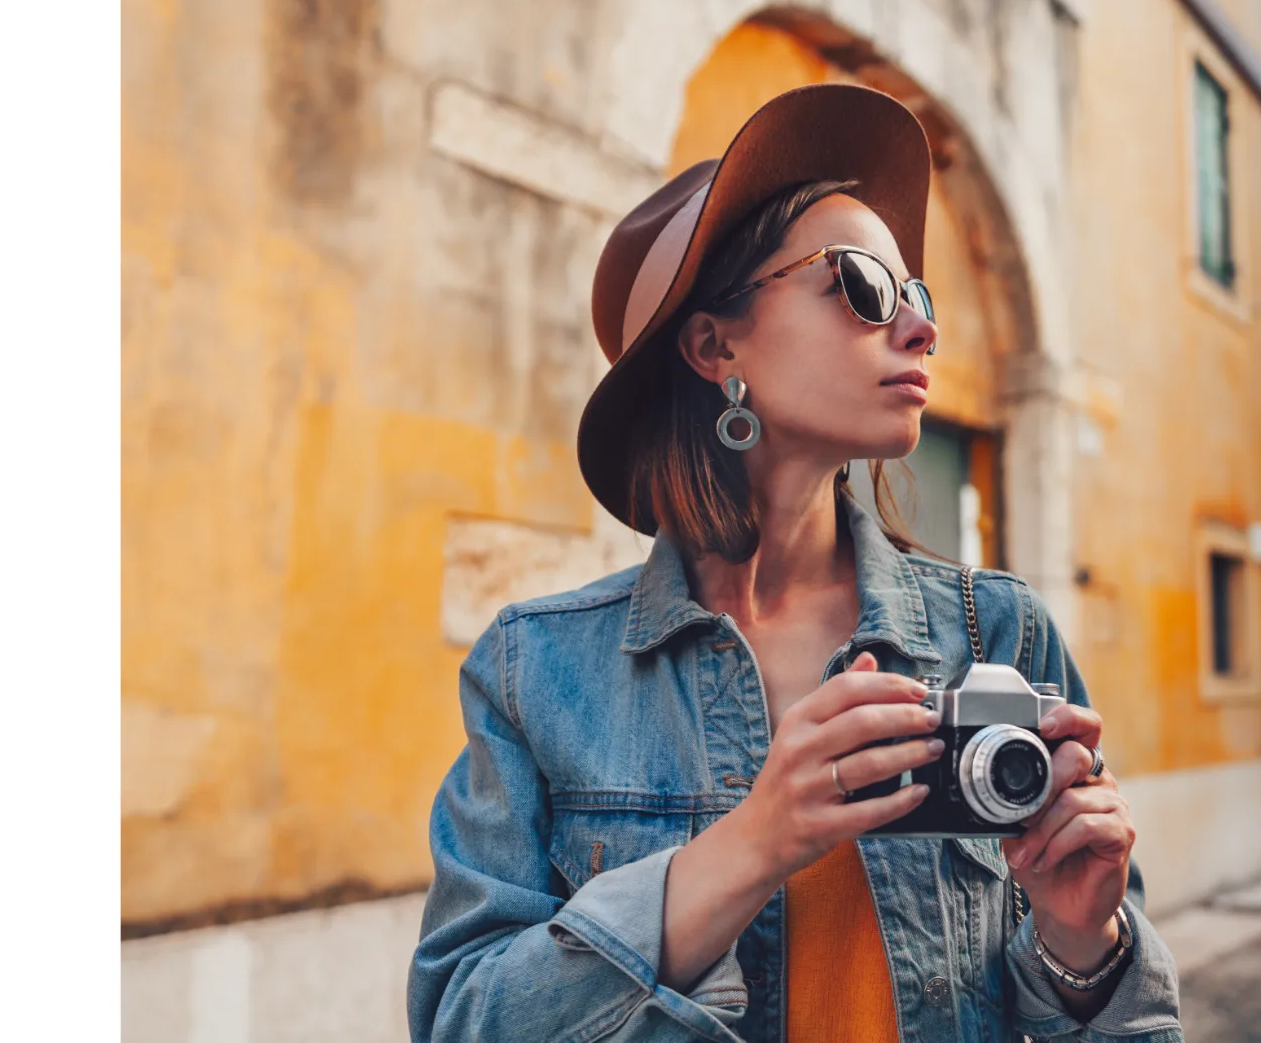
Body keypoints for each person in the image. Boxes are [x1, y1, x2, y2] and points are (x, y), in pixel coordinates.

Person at [407, 83, 1182, 1043]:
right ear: (713, 345)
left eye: (916, 297)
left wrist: (1083, 943)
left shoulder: (998, 632)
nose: (919, 328)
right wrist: (752, 845)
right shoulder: (537, 671)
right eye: (861, 284)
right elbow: (462, 1017)